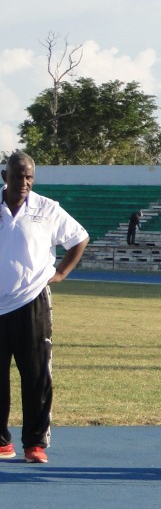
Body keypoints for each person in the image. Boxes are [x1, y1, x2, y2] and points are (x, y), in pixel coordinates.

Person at [0, 152, 89, 464]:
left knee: (36, 375)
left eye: (29, 177)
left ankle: (35, 444)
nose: (24, 183)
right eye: (18, 176)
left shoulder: (47, 208)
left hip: (32, 302)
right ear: (5, 177)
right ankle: (2, 442)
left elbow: (79, 238)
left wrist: (61, 272)